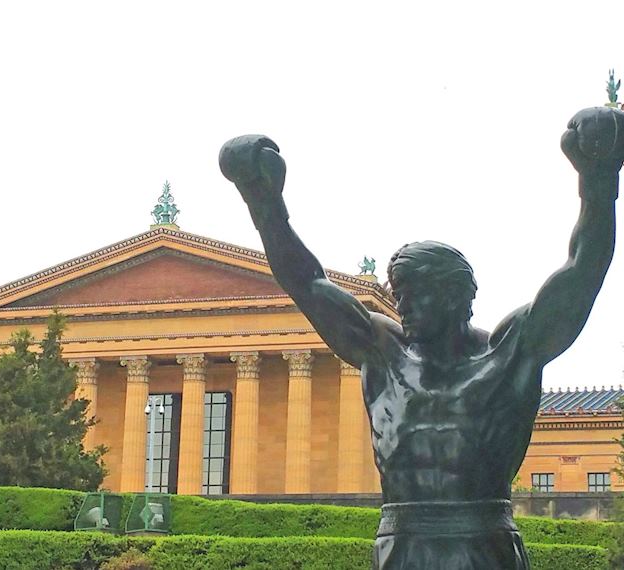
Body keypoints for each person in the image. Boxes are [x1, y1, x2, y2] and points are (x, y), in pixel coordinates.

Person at [218, 107, 622, 569]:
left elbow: (583, 270)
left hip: (484, 545)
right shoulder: (383, 353)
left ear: (454, 296)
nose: (401, 305)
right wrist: (262, 202)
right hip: (402, 545)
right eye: (397, 293)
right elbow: (307, 283)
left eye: (414, 294)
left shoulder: (510, 354)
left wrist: (599, 180)